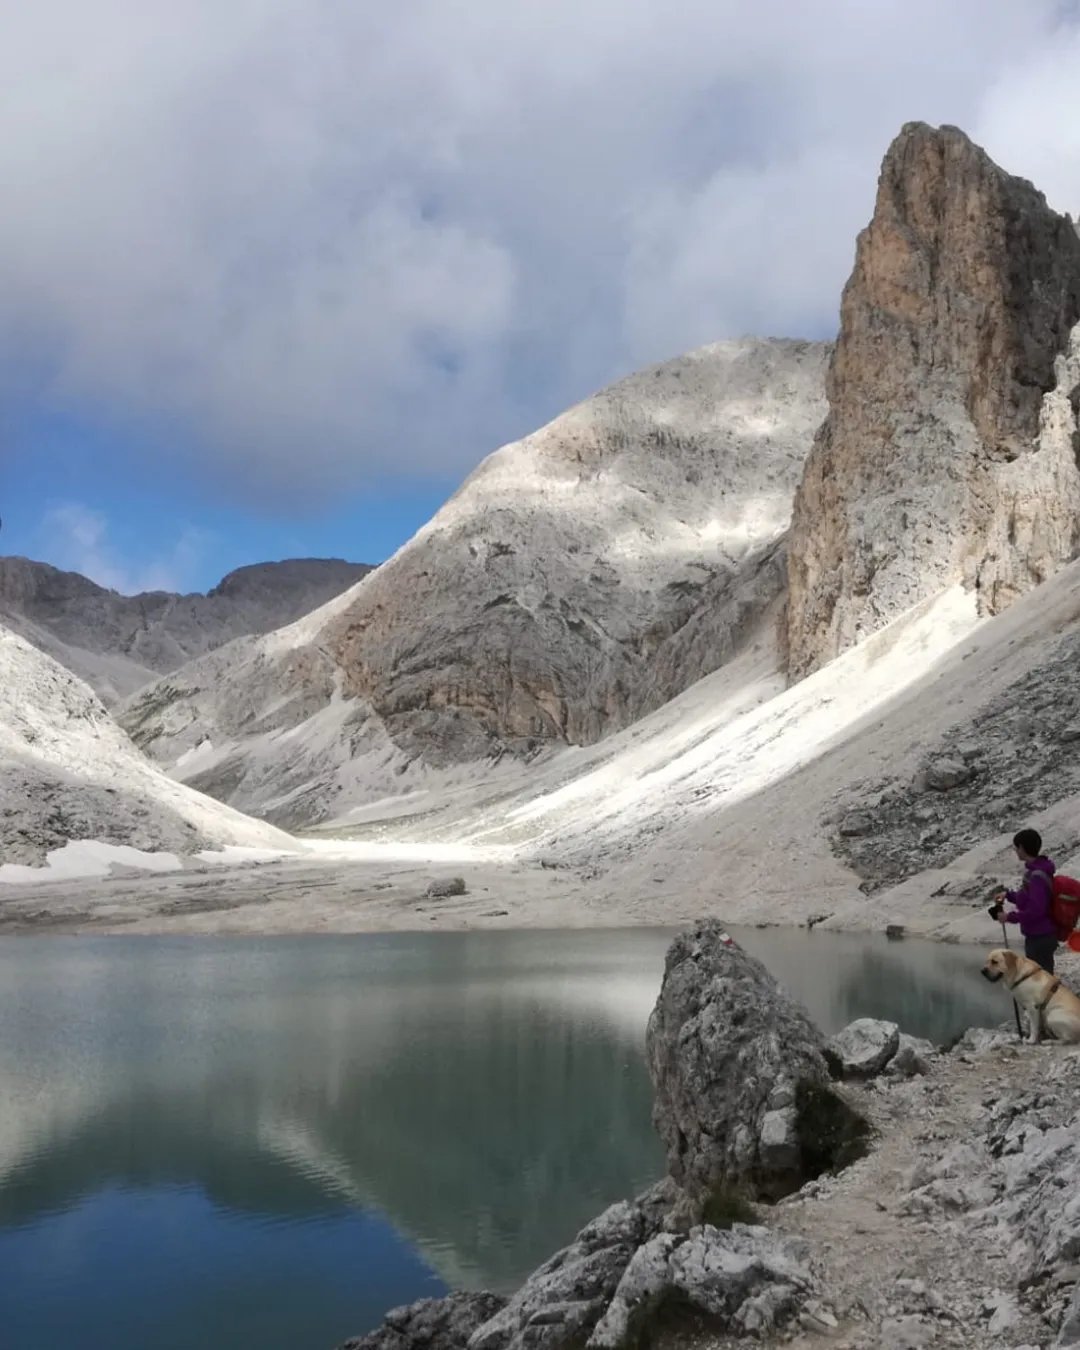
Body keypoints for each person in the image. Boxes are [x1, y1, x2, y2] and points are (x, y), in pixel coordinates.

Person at [989, 828, 1059, 974]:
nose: (1015, 850)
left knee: (1039, 981)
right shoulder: (1035, 872)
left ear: (1022, 848)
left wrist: (1009, 917)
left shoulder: (1036, 876)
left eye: (1016, 847)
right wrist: (1007, 895)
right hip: (1038, 936)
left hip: (1040, 936)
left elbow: (1035, 910)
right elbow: (1026, 899)